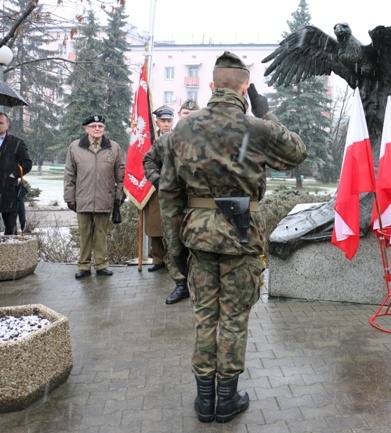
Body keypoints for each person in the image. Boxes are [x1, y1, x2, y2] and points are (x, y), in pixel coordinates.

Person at [159, 51, 306, 423]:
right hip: (241, 235)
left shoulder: (182, 130)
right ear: (245, 88)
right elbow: (297, 154)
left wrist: (174, 252)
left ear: (211, 85)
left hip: (198, 236)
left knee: (204, 316)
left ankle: (203, 399)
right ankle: (226, 399)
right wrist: (265, 112)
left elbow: (169, 193)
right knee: (235, 317)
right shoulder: (256, 128)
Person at [143, 100, 199, 304]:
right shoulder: (166, 140)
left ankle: (199, 285)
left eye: (193, 113)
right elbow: (148, 161)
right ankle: (181, 284)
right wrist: (158, 180)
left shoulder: (207, 141)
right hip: (172, 203)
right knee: (174, 244)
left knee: (199, 245)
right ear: (180, 114)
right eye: (185, 113)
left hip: (199, 203)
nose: (189, 116)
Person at [64, 115, 125, 279]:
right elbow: (69, 174)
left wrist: (118, 197)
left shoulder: (114, 147)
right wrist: (69, 198)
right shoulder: (75, 147)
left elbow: (121, 175)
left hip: (105, 197)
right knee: (84, 233)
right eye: (93, 126)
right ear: (86, 128)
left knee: (101, 233)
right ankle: (83, 266)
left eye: (100, 126)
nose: (97, 129)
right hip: (82, 198)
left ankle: (101, 265)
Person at [143, 105, 175, 273]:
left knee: (173, 226)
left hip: (174, 189)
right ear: (157, 122)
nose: (166, 124)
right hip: (155, 189)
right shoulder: (149, 141)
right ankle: (158, 259)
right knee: (155, 226)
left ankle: (172, 259)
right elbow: (147, 162)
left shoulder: (179, 138)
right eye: (163, 121)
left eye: (169, 121)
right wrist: (156, 180)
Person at [0, 112, 32, 235]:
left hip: (9, 191)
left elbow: (27, 164)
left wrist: (14, 174)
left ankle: (10, 253)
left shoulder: (17, 143)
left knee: (11, 230)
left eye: (1, 123)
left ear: (7, 124)